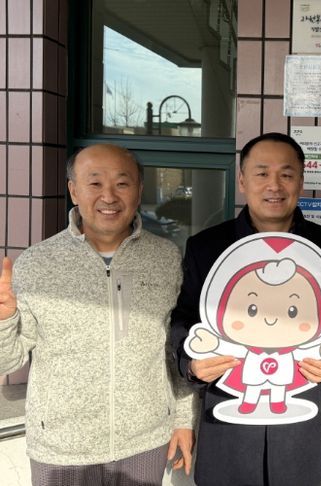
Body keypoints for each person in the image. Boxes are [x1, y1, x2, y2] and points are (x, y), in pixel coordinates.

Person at [170, 132, 321, 486]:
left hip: (299, 423)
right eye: (261, 173)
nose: (274, 185)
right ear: (242, 181)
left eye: (286, 174)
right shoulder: (207, 247)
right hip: (226, 421)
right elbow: (183, 319)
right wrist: (191, 362)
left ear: (300, 182)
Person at [0, 144, 195, 485]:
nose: (109, 196)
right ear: (73, 190)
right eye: (94, 183)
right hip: (61, 448)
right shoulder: (37, 263)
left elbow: (174, 347)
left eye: (122, 183)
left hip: (144, 442)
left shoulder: (165, 258)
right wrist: (3, 322)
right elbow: (8, 359)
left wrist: (183, 418)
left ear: (139, 190)